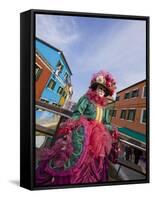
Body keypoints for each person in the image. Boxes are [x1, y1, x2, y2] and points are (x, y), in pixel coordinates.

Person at [36, 70, 120, 186]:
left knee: (96, 161)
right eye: (100, 88)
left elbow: (105, 122)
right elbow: (77, 113)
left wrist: (112, 129)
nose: (101, 91)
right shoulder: (86, 100)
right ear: (95, 88)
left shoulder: (104, 107)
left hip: (98, 138)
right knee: (75, 155)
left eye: (104, 90)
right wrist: (73, 125)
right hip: (83, 132)